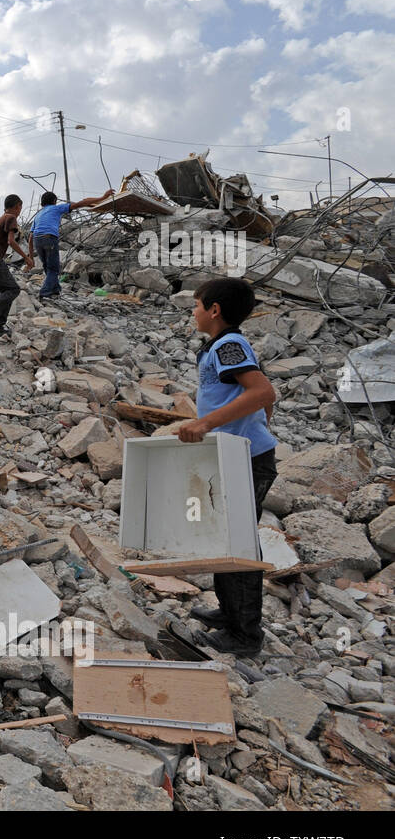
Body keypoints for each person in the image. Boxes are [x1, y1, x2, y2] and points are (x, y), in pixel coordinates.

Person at [178, 277, 278, 656]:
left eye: (197, 305)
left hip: (247, 460)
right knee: (226, 536)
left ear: (214, 310)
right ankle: (229, 612)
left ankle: (245, 635)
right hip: (235, 455)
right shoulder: (222, 346)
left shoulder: (229, 344)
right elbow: (264, 395)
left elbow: (262, 392)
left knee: (239, 544)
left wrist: (205, 424)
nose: (194, 311)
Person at [29, 188, 115, 298]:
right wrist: (103, 198)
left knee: (47, 267)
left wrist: (30, 257)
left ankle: (55, 289)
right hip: (49, 238)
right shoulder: (56, 208)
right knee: (53, 269)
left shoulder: (38, 215)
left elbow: (30, 237)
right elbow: (80, 203)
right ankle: (44, 293)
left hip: (37, 240)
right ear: (54, 201)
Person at [0, 194, 33, 336]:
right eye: (20, 207)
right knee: (14, 290)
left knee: (8, 291)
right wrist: (26, 257)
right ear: (17, 206)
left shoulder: (1, 218)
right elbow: (11, 241)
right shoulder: (10, 217)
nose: (20, 210)